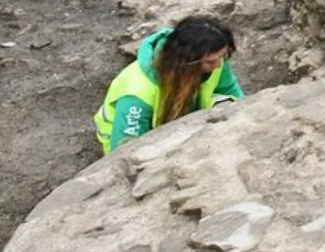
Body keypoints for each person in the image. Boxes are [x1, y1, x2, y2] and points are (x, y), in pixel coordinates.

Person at [93, 17, 243, 155]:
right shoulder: (137, 94)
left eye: (222, 57)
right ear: (186, 62)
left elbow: (231, 93)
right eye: (210, 62)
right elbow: (124, 149)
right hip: (133, 135)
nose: (218, 65)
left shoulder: (213, 60)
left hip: (182, 120)